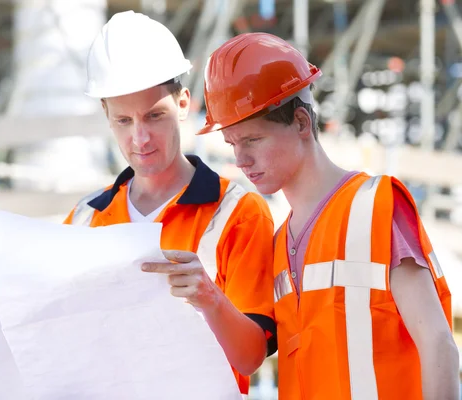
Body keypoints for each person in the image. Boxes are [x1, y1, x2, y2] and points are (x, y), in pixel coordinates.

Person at [198, 32, 460, 400]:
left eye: (252, 140)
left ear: (302, 123)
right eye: (232, 144)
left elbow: (437, 344)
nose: (240, 159)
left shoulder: (374, 207)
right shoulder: (279, 247)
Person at [63, 11, 276, 395]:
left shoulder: (237, 213)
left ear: (183, 103)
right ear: (106, 115)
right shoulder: (82, 220)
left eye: (154, 116)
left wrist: (209, 298)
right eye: (124, 121)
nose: (140, 138)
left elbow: (251, 358)